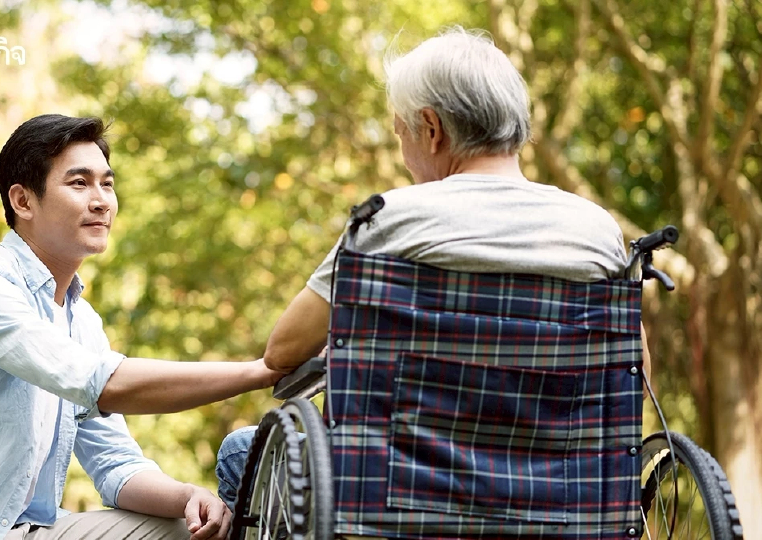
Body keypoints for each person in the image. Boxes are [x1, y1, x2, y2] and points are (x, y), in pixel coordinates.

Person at [215, 26, 652, 510]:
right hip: (559, 497)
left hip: (400, 497)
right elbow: (636, 376)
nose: (404, 155)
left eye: (401, 133)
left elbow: (283, 352)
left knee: (242, 451)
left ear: (431, 128)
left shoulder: (389, 221)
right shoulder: (597, 230)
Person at [0, 114, 282, 540]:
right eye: (79, 182)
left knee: (190, 528)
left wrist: (190, 495)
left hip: (22, 530)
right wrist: (260, 371)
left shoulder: (82, 322)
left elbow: (115, 465)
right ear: (22, 200)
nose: (101, 200)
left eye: (107, 183)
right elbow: (104, 385)